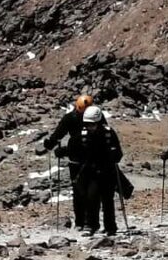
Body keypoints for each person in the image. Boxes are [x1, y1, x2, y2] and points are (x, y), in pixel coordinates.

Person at [43, 94, 97, 230]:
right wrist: (52, 143)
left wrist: (52, 145)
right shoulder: (94, 118)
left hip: (81, 159)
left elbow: (58, 134)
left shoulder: (71, 117)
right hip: (83, 159)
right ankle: (84, 222)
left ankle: (84, 222)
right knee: (83, 191)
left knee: (82, 191)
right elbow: (59, 133)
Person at [73, 105, 122, 236]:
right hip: (91, 172)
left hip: (107, 171)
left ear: (98, 122)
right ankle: (91, 225)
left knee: (108, 200)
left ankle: (110, 227)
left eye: (92, 124)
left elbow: (119, 153)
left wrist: (114, 155)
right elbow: (74, 150)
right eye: (87, 124)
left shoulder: (109, 134)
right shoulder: (82, 135)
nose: (90, 127)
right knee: (91, 198)